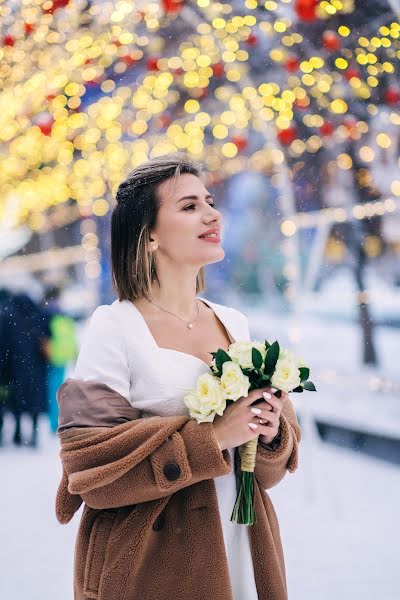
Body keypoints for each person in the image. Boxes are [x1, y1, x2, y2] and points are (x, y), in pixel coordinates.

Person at [55, 153, 301, 600]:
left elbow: (267, 472)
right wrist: (211, 439)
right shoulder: (113, 327)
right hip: (155, 567)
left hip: (242, 545)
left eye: (209, 201)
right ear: (149, 235)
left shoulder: (233, 323)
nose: (211, 213)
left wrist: (268, 433)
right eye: (188, 206)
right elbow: (87, 469)